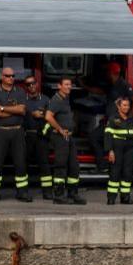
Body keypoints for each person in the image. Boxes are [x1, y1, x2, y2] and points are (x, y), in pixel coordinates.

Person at [0, 66, 30, 202]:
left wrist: (3, 108)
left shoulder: (20, 91)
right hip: (0, 132)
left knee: (20, 162)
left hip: (17, 131)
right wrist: (13, 110)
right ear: (2, 77)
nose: (11, 78)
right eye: (8, 76)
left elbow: (22, 110)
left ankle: (22, 192)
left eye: (13, 76)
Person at [88, 61, 133, 172]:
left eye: (107, 71)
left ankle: (103, 165)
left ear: (111, 73)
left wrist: (128, 119)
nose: (106, 74)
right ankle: (104, 163)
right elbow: (101, 91)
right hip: (110, 122)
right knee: (96, 137)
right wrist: (85, 87)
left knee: (94, 137)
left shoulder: (124, 85)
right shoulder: (112, 84)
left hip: (117, 124)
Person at [44, 77, 87, 205]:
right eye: (66, 84)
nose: (69, 87)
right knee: (61, 166)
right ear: (59, 86)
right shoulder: (56, 100)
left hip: (69, 137)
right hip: (60, 137)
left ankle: (73, 193)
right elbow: (48, 116)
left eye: (70, 85)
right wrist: (60, 129)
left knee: (74, 166)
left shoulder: (65, 99)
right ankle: (58, 195)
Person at [104, 96, 133, 205]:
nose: (126, 107)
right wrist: (110, 151)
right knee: (115, 172)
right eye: (124, 105)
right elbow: (108, 135)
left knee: (127, 172)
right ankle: (111, 198)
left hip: (130, 147)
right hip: (117, 147)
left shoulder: (132, 119)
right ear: (119, 106)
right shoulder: (113, 118)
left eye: (128, 105)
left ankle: (125, 197)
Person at [23, 74, 53, 200]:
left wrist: (43, 115)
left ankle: (47, 192)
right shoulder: (22, 100)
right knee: (24, 164)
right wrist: (31, 114)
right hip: (27, 136)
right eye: (28, 84)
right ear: (26, 87)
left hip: (41, 136)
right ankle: (23, 191)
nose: (31, 86)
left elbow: (53, 118)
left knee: (44, 164)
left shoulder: (46, 100)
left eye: (33, 83)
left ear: (37, 84)